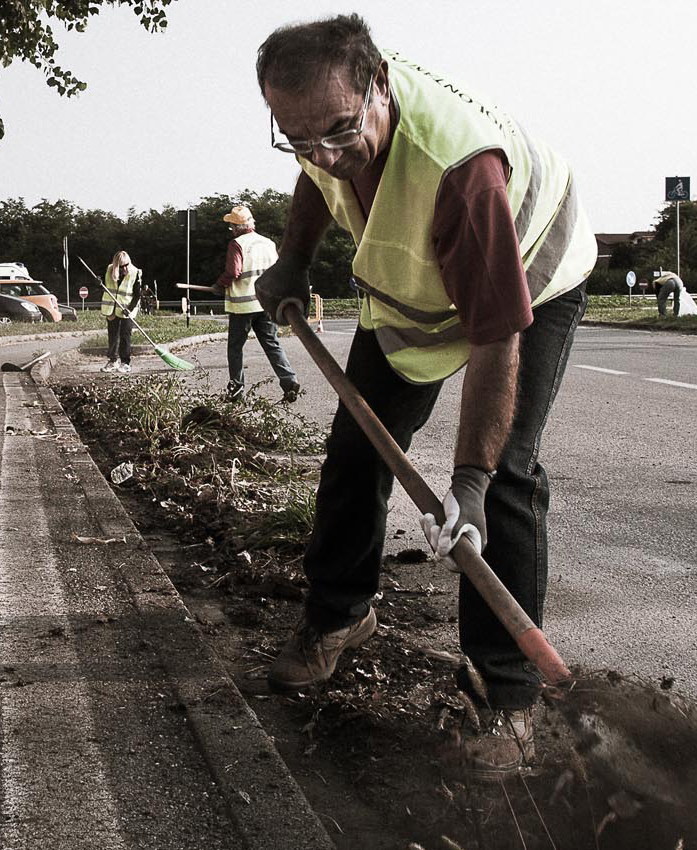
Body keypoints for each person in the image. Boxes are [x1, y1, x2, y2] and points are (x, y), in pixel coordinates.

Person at [253, 16, 596, 780]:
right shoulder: (327, 119)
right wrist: (294, 258)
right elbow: (317, 178)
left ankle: (507, 699)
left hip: (530, 267)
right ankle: (340, 615)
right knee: (357, 448)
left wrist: (467, 482)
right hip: (418, 292)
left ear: (379, 85)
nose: (323, 154)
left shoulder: (460, 170)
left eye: (338, 132)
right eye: (298, 138)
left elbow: (495, 340)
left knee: (506, 478)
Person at [212, 205, 300, 403]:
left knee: (235, 349)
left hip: (243, 306)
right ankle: (289, 380)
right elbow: (277, 271)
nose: (231, 229)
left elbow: (233, 272)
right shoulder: (268, 243)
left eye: (231, 226)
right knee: (272, 344)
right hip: (266, 304)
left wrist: (219, 285)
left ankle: (236, 391)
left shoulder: (237, 244)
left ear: (236, 227)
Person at [99, 250, 140, 374]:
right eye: (122, 266)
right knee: (113, 335)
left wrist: (130, 309)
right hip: (111, 308)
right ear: (116, 266)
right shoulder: (109, 269)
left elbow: (137, 295)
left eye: (127, 265)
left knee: (125, 336)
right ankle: (113, 361)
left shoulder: (135, 272)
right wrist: (99, 282)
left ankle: (125, 362)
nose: (125, 268)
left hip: (127, 310)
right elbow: (104, 283)